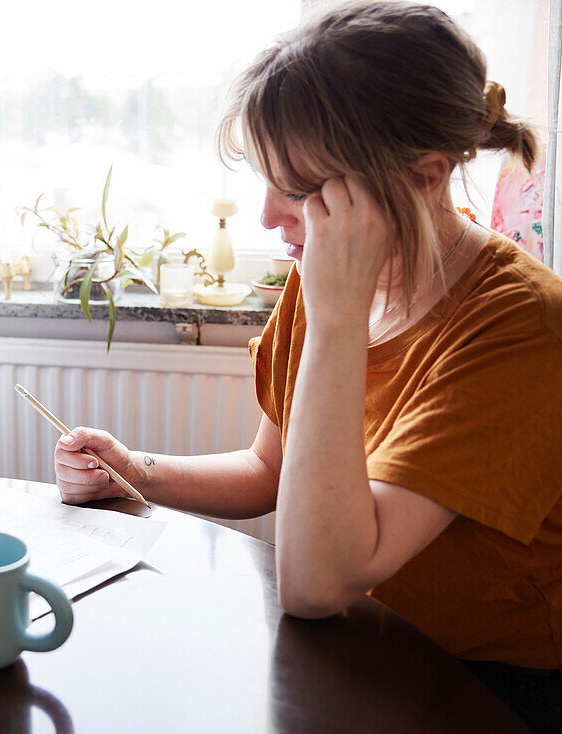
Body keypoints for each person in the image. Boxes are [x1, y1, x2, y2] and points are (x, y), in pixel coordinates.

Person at [53, 2, 562, 729]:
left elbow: (319, 582)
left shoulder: (524, 324)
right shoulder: (328, 274)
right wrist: (135, 468)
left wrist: (335, 320)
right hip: (367, 644)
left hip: (490, 685)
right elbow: (271, 473)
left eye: (300, 189)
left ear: (423, 177)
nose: (267, 217)